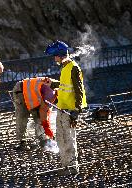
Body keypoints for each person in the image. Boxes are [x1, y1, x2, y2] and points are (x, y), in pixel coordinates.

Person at [45, 40, 87, 175]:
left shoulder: (74, 68)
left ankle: (73, 167)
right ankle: (65, 166)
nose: (54, 58)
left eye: (55, 56)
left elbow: (79, 90)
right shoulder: (64, 67)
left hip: (69, 111)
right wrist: (52, 83)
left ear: (60, 55)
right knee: (61, 138)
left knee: (69, 139)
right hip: (61, 109)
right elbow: (64, 86)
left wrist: (77, 110)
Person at [12, 77, 59, 150]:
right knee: (22, 117)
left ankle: (43, 139)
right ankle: (22, 142)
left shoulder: (58, 88)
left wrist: (48, 132)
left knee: (38, 117)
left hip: (33, 93)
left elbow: (45, 113)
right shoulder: (50, 95)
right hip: (20, 91)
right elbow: (43, 114)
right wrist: (48, 131)